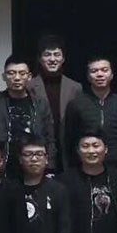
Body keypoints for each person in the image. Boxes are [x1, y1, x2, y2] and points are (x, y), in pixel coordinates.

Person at [0, 55, 55, 182]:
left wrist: (49, 167)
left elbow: (49, 138)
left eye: (22, 73)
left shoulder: (40, 104)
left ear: (29, 76)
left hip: (33, 165)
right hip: (2, 168)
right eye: (11, 73)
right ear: (4, 76)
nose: (17, 78)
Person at [64, 55, 117, 172]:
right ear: (88, 77)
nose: (99, 74)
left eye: (104, 70)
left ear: (112, 75)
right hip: (84, 165)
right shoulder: (76, 104)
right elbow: (70, 139)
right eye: (94, 71)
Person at [28, 34, 82, 171]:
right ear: (40, 59)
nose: (52, 59)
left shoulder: (75, 87)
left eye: (57, 55)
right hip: (39, 151)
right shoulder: (29, 86)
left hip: (69, 152)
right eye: (47, 55)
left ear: (63, 59)